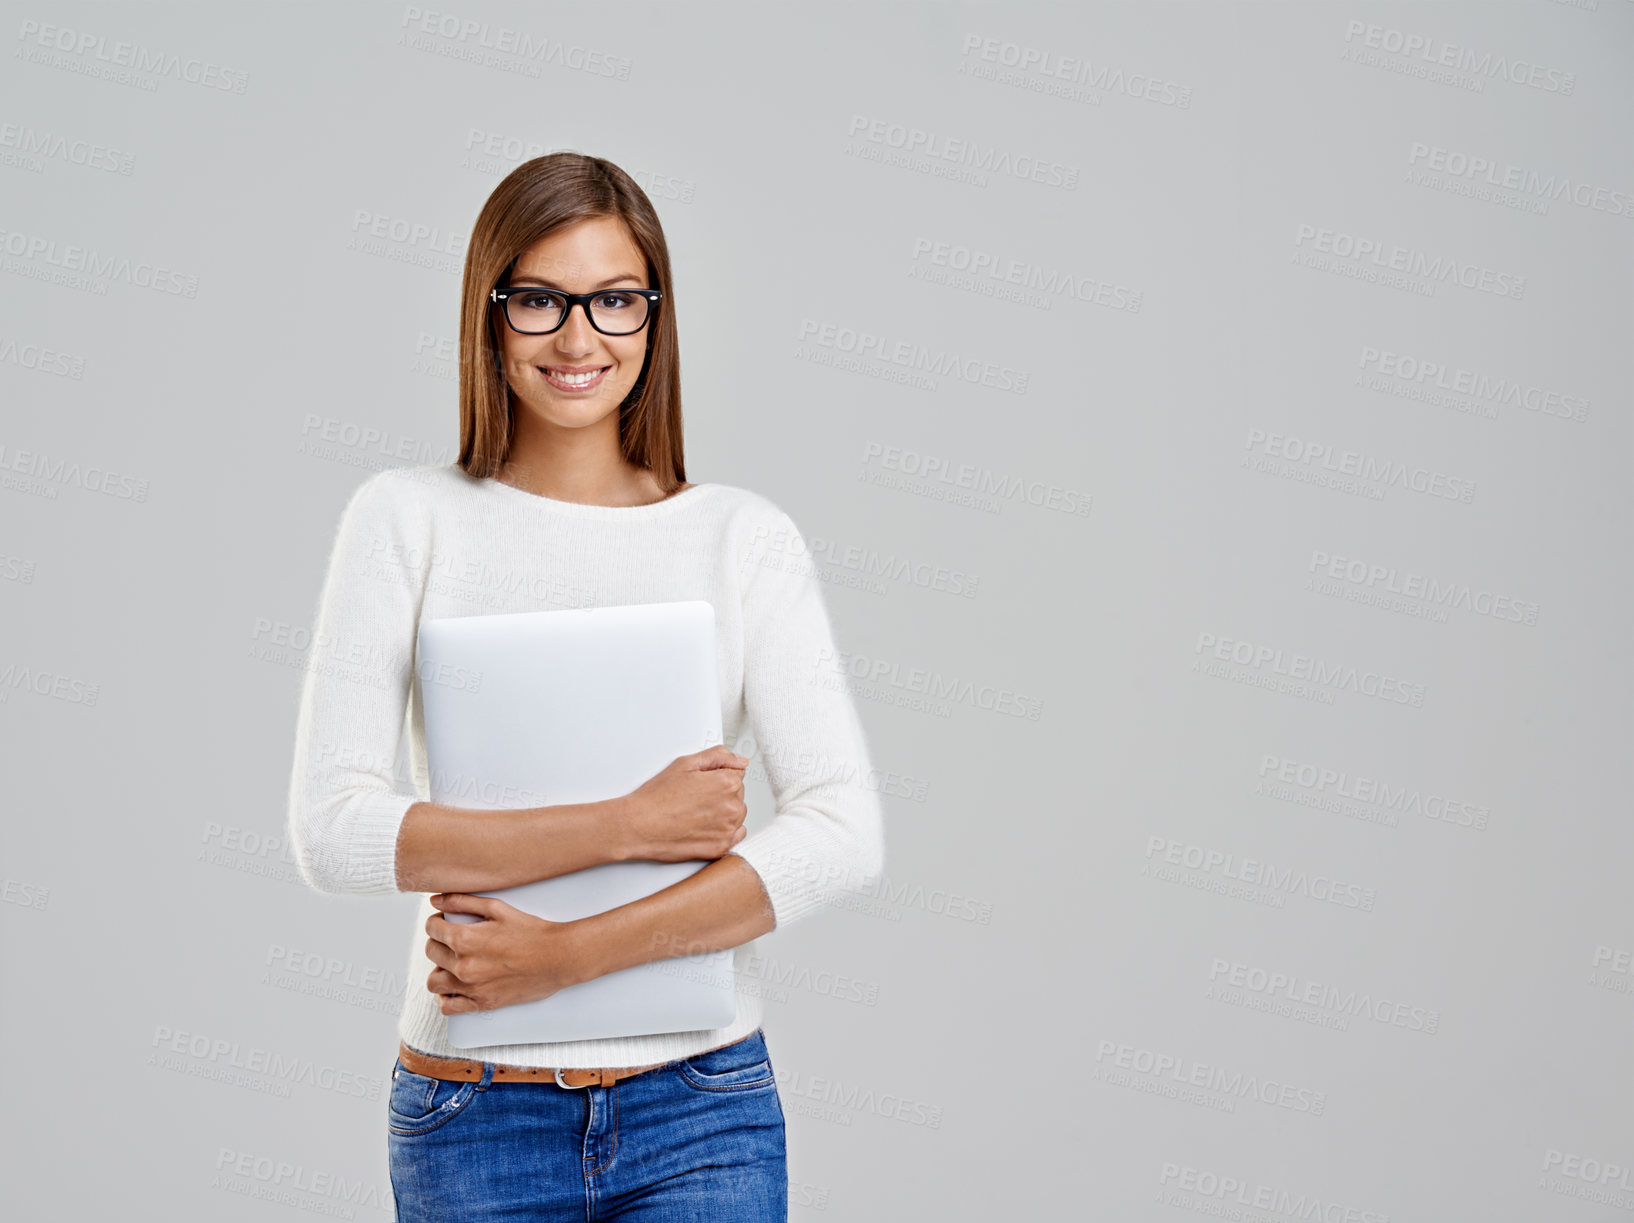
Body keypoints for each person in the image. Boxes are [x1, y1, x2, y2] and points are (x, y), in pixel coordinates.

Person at [285, 152, 886, 1221]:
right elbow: (332, 830)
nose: (578, 339)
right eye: (540, 301)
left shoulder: (742, 537)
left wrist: (563, 956)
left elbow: (842, 831)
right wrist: (627, 821)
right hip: (473, 1118)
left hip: (701, 1106)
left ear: (653, 318)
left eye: (614, 300)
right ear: (489, 315)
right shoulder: (404, 518)